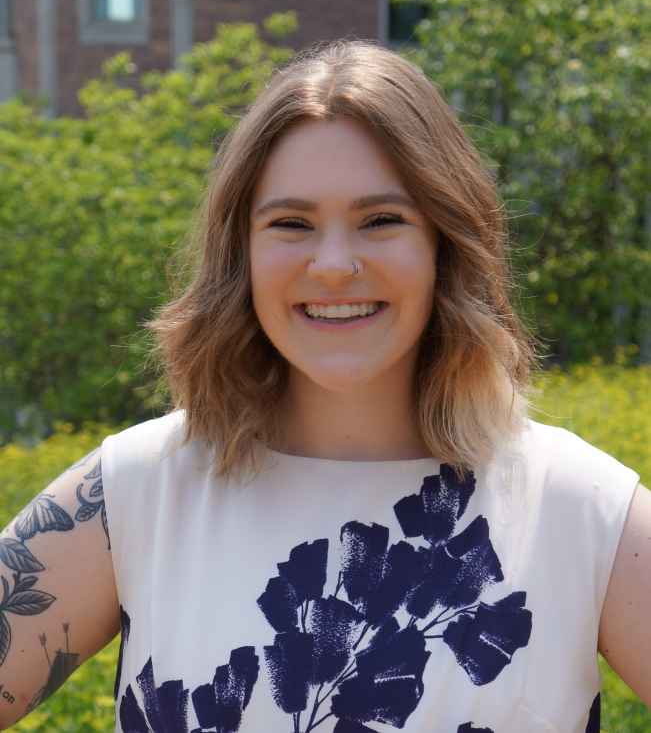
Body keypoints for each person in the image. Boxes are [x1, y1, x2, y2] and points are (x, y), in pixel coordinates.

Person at [0, 39, 649, 733]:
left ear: (445, 244)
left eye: (380, 221)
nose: (334, 264)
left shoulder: (582, 508)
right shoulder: (135, 489)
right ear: (240, 253)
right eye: (291, 224)